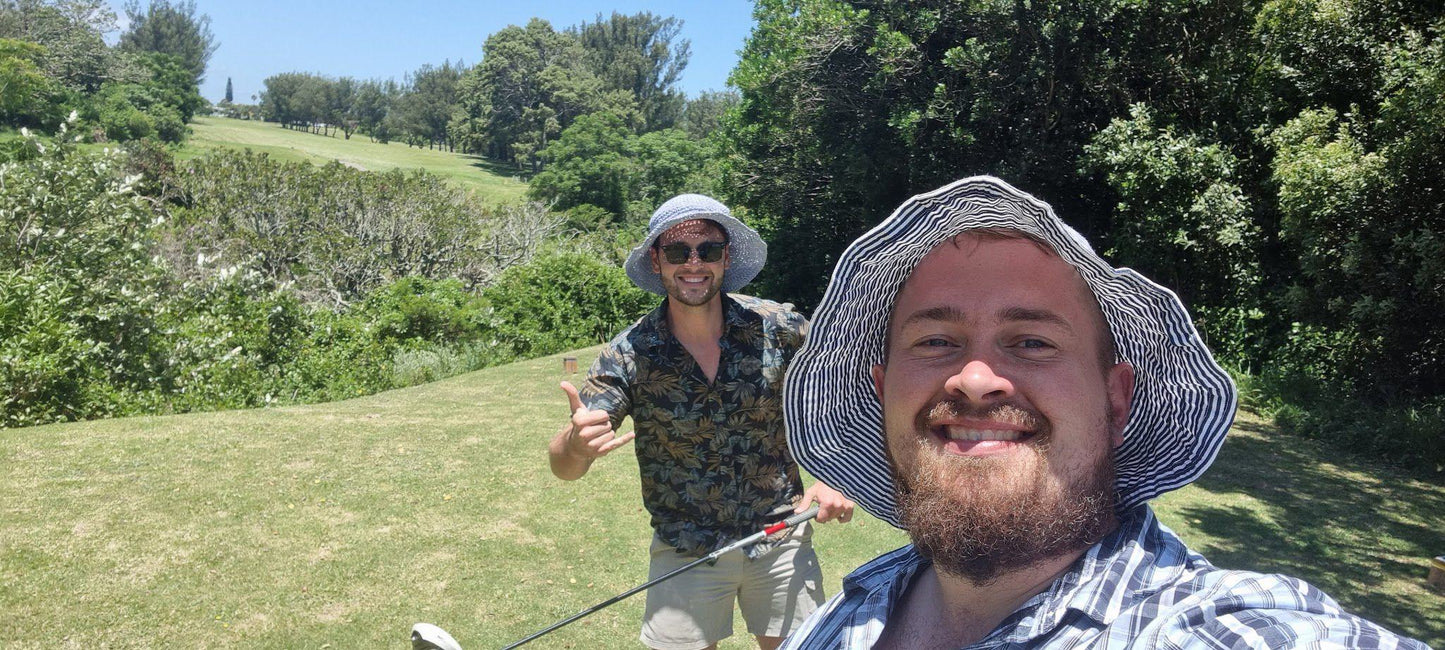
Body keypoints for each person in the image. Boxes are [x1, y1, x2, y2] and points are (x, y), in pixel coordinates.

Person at [777, 177, 1427, 649]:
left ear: (1116, 399)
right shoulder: (844, 612)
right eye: (935, 341)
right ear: (882, 390)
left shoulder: (1210, 625)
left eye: (1031, 341)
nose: (973, 380)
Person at [549, 193, 856, 650]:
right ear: (656, 261)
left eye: (708, 249)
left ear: (725, 257)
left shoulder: (780, 327)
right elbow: (564, 466)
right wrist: (575, 445)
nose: (693, 263)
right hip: (683, 548)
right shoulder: (629, 353)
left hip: (779, 536)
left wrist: (840, 478)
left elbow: (848, 398)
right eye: (677, 251)